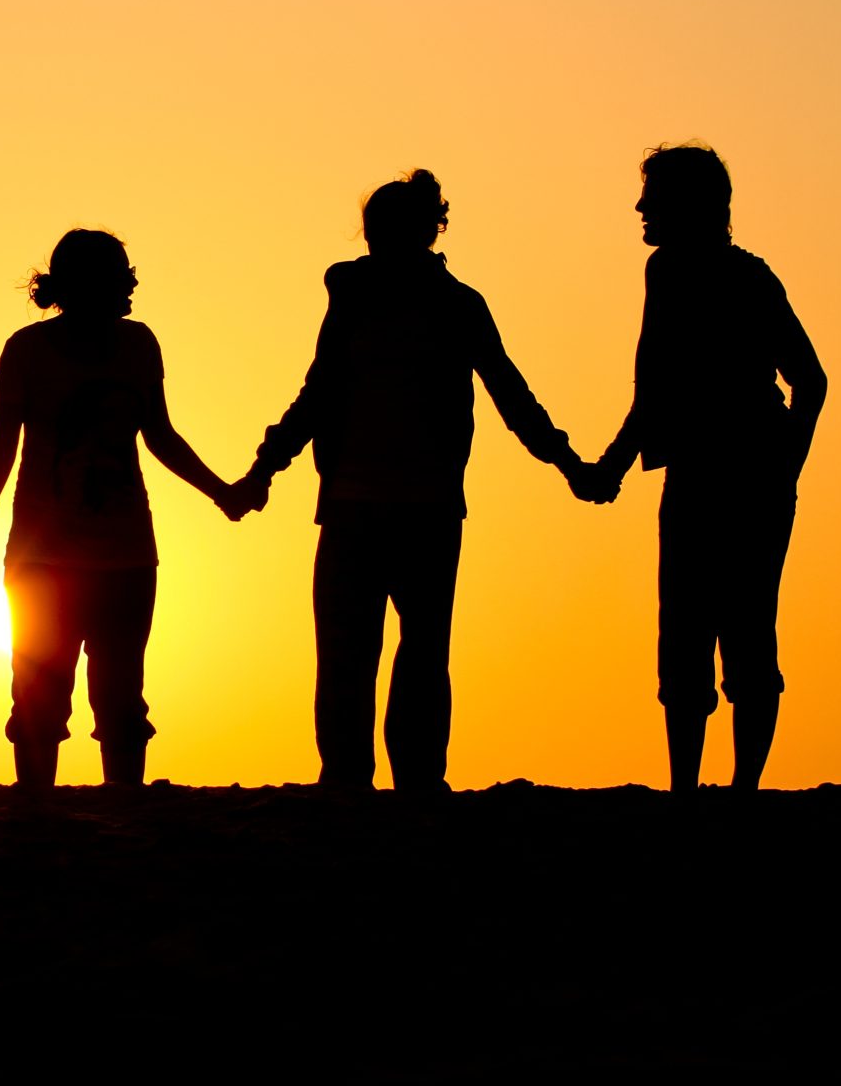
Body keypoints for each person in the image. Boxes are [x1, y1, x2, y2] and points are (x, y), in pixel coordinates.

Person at [223, 170, 583, 794]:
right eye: (373, 233)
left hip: (429, 507)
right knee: (346, 656)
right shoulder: (351, 299)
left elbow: (509, 393)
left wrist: (568, 462)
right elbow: (318, 393)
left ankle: (418, 781)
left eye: (390, 230)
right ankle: (345, 781)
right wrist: (265, 467)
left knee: (421, 653)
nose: (376, 243)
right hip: (351, 505)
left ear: (427, 230)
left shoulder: (459, 306)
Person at [0, 229, 244, 790]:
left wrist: (221, 492)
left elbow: (159, 434)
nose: (130, 282)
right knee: (38, 698)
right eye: (120, 272)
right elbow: (0, 445)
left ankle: (121, 813)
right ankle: (35, 815)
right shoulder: (27, 351)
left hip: (126, 557)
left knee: (121, 698)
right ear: (86, 284)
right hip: (42, 560)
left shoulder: (139, 345)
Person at [575, 144, 826, 794]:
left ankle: (736, 789)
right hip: (697, 476)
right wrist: (613, 466)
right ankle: (693, 790)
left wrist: (784, 469)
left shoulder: (748, 278)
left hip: (740, 481)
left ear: (690, 203)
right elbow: (655, 389)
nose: (640, 207)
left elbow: (810, 379)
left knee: (738, 632)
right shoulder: (670, 273)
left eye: (653, 195)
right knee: (695, 636)